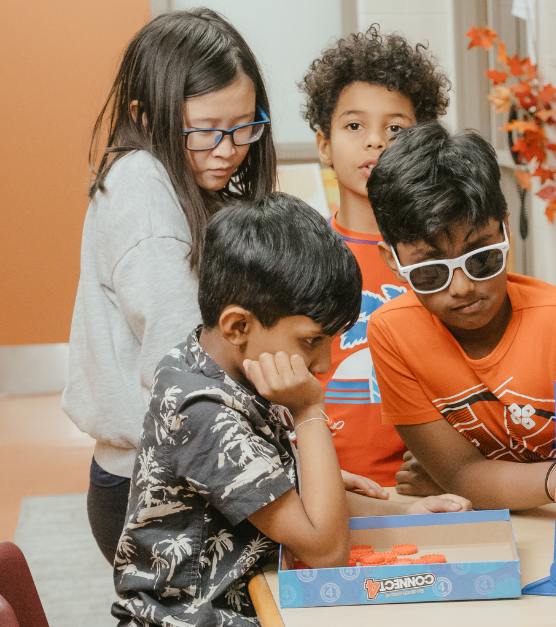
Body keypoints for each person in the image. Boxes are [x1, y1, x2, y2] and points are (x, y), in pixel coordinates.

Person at [111, 194, 469, 626]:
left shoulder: (229, 365)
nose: (325, 364)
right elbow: (325, 551)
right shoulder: (202, 411)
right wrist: (309, 409)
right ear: (238, 326)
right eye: (311, 341)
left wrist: (403, 514)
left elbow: (290, 499)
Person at [366, 121, 556, 526]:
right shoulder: (392, 332)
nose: (462, 287)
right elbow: (461, 474)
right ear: (393, 262)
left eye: (481, 259)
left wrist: (485, 485)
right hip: (496, 532)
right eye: (430, 272)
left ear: (506, 230)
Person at [63, 8, 277, 564]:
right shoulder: (146, 193)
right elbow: (185, 372)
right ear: (145, 114)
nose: (228, 149)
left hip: (183, 467)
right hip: (156, 487)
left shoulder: (167, 178)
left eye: (244, 126)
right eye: (205, 130)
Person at [298, 26, 450, 487]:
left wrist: (451, 468)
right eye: (354, 126)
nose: (376, 141)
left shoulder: (443, 260)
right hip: (324, 484)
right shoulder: (300, 256)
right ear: (324, 144)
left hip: (424, 487)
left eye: (395, 128)